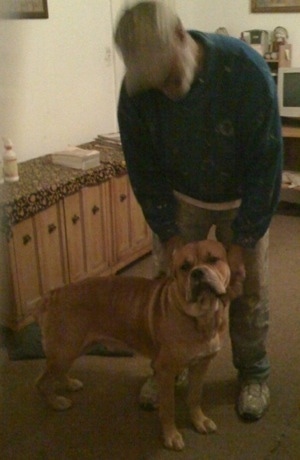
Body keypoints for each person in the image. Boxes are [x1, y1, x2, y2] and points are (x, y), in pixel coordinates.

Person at [114, 1, 283, 421]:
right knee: (172, 288)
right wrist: (168, 233)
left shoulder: (245, 72)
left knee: (246, 289)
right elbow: (143, 168)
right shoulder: (137, 92)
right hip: (180, 197)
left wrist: (243, 242)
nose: (166, 90)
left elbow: (266, 165)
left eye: (170, 77)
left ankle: (253, 373)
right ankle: (168, 366)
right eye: (156, 85)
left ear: (180, 36)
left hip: (242, 197)